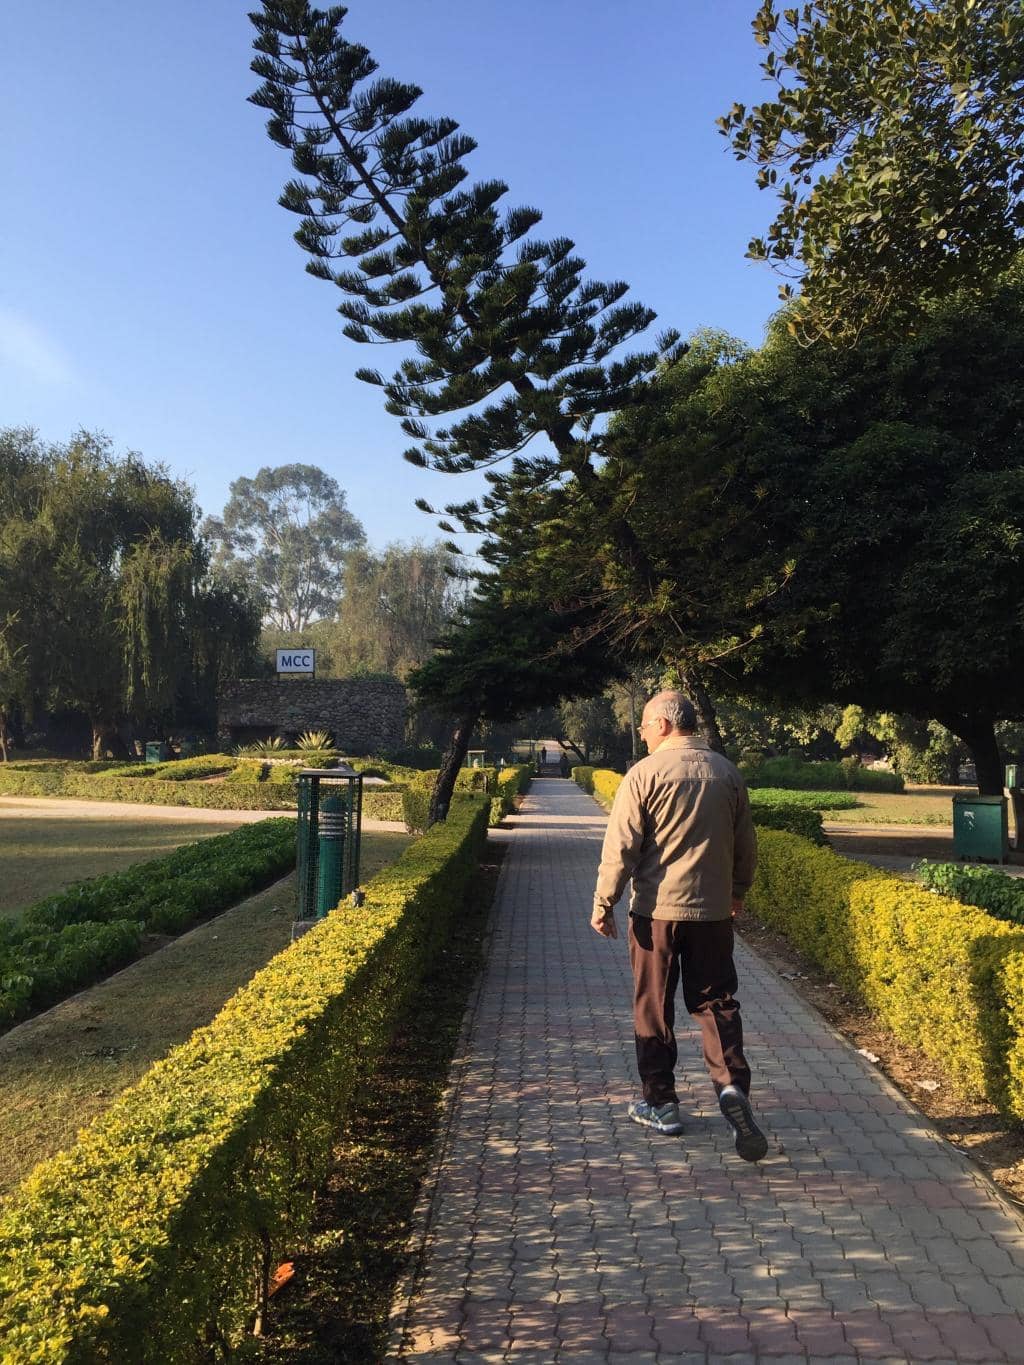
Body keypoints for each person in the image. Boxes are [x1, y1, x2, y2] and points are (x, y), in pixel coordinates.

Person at [590, 690, 767, 1161]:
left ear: (664, 725)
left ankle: (661, 1103)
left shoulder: (644, 775)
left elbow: (622, 846)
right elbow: (745, 842)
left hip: (657, 915)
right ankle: (731, 1088)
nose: (643, 734)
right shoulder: (726, 772)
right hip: (712, 915)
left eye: (645, 726)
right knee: (716, 1003)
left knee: (654, 1006)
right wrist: (738, 891)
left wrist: (604, 901)